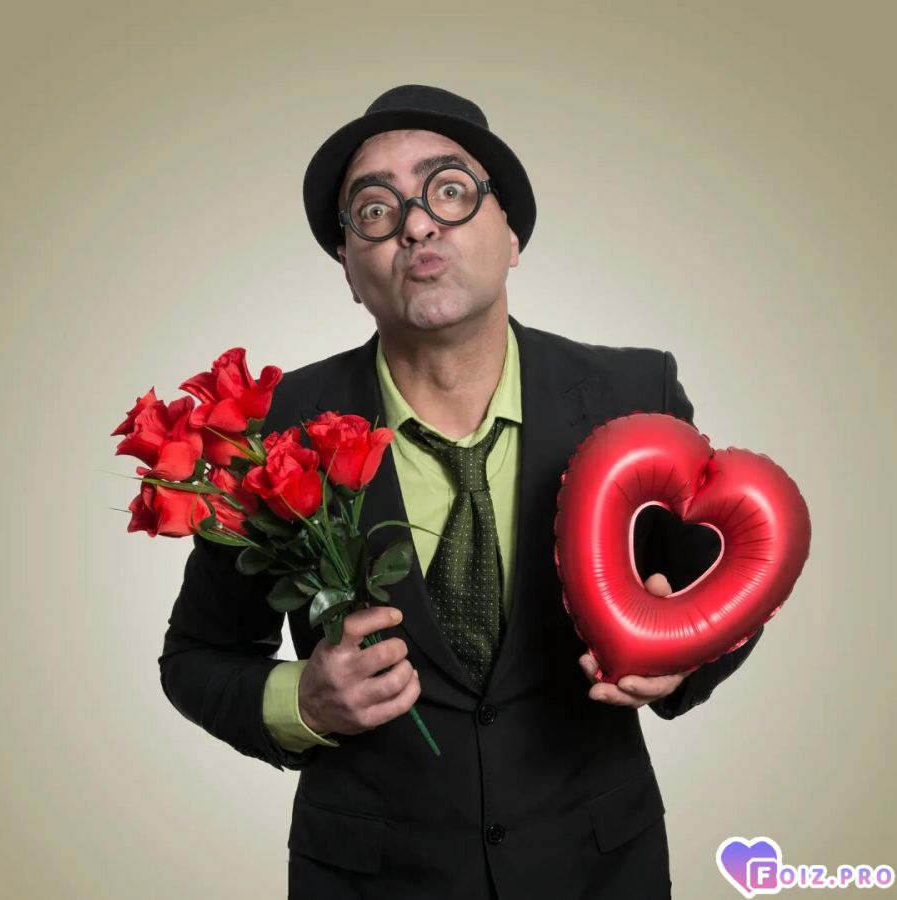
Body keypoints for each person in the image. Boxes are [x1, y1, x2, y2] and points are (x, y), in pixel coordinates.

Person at [158, 84, 764, 899]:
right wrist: (301, 699)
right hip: (370, 879)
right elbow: (196, 659)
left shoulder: (632, 394)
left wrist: (680, 655)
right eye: (375, 209)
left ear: (511, 234)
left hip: (597, 868)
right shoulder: (277, 429)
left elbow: (725, 582)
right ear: (348, 268)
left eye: (449, 191)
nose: (415, 225)